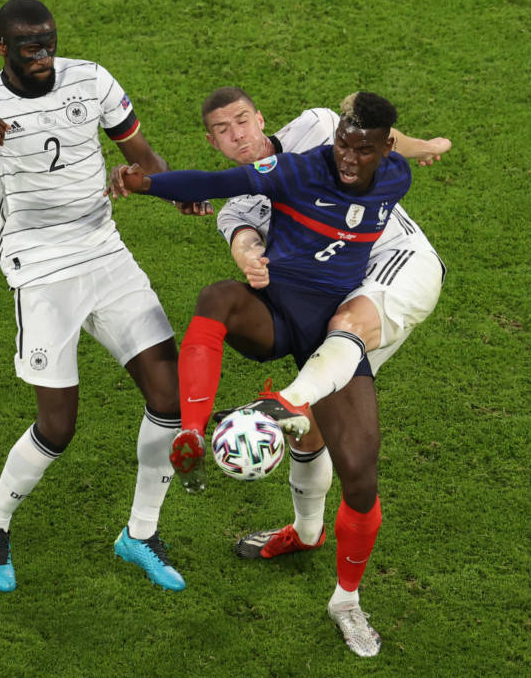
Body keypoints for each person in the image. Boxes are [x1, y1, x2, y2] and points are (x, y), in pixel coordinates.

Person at [109, 92, 411, 656]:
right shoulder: (299, 169)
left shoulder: (397, 177)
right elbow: (215, 183)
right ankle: (193, 429)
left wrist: (433, 144)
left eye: (362, 150)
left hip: (333, 337)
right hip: (274, 316)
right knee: (218, 297)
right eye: (342, 146)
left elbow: (403, 150)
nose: (348, 159)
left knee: (361, 477)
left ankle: (346, 601)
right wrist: (146, 184)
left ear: (385, 149)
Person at [0, 0, 208, 594]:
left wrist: (171, 189)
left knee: (170, 397)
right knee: (57, 426)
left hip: (105, 252)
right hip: (39, 266)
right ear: (2, 48)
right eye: (29, 47)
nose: (43, 56)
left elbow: (142, 157)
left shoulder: (92, 80)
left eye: (49, 43)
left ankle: (140, 533)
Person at [197, 88, 449, 574]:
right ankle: (307, 530)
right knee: (314, 411)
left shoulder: (315, 127)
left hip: (397, 267)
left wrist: (427, 147)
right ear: (213, 143)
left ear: (260, 118)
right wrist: (249, 258)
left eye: (242, 121)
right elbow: (243, 239)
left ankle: (283, 404)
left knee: (337, 345)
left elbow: (379, 136)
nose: (238, 135)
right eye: (223, 131)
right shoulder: (238, 206)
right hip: (334, 297)